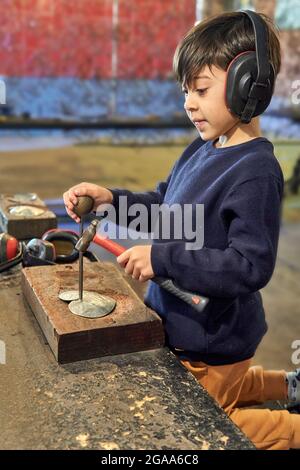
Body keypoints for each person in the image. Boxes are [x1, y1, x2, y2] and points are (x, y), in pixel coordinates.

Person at [63, 10, 300, 450]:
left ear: (248, 85)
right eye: (186, 91)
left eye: (201, 90)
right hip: (184, 325)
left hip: (214, 335)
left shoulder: (255, 171)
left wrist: (164, 258)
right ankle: (289, 387)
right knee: (212, 388)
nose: (188, 102)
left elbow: (250, 267)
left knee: (207, 426)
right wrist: (111, 200)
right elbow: (164, 210)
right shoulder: (205, 148)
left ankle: (291, 429)